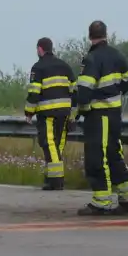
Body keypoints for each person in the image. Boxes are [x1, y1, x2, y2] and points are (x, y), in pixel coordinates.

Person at [73, 20, 128, 215]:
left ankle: (101, 201)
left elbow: (84, 90)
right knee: (113, 154)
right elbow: (126, 82)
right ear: (106, 34)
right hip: (114, 113)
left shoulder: (92, 59)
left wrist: (81, 110)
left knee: (97, 157)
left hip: (98, 115)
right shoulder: (118, 55)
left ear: (89, 36)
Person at [24, 37, 76, 191]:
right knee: (58, 144)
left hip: (47, 112)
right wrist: (73, 114)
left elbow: (34, 93)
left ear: (40, 49)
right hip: (65, 112)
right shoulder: (65, 66)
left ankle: (56, 180)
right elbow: (75, 91)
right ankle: (51, 177)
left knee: (49, 143)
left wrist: (28, 113)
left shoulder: (38, 68)